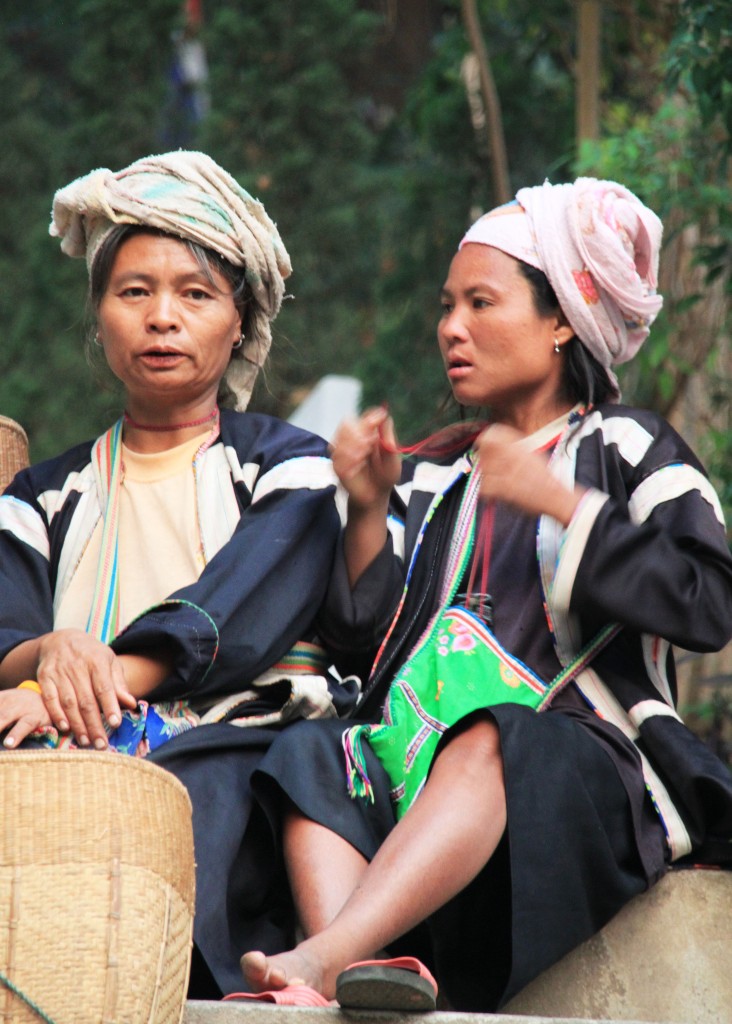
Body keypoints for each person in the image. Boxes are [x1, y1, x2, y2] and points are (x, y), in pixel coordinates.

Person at [237, 178, 732, 1012]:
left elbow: (708, 604)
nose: (450, 328)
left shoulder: (627, 443)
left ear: (561, 321)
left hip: (575, 781)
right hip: (424, 780)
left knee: (493, 737)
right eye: (446, 306)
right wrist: (367, 508)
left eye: (480, 303)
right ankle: (368, 971)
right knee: (309, 753)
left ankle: (323, 957)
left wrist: (562, 505)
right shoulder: (436, 474)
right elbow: (365, 641)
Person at [0, 151, 353, 995]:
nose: (162, 317)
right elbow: (7, 632)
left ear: (240, 323)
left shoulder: (292, 468)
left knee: (195, 789)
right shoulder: (39, 496)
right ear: (99, 318)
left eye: (195, 295)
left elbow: (244, 615)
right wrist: (48, 652)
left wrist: (80, 686)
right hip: (60, 740)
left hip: (241, 749)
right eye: (134, 292)